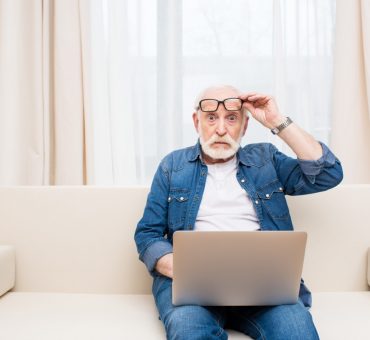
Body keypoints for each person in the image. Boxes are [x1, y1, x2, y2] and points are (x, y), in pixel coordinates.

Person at [134, 85, 343, 340]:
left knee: (298, 332)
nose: (221, 129)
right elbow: (147, 234)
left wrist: (277, 121)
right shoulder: (172, 166)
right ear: (196, 121)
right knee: (187, 330)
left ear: (244, 126)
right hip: (192, 288)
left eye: (231, 118)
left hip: (264, 286)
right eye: (211, 118)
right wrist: (186, 269)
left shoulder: (266, 159)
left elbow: (328, 174)